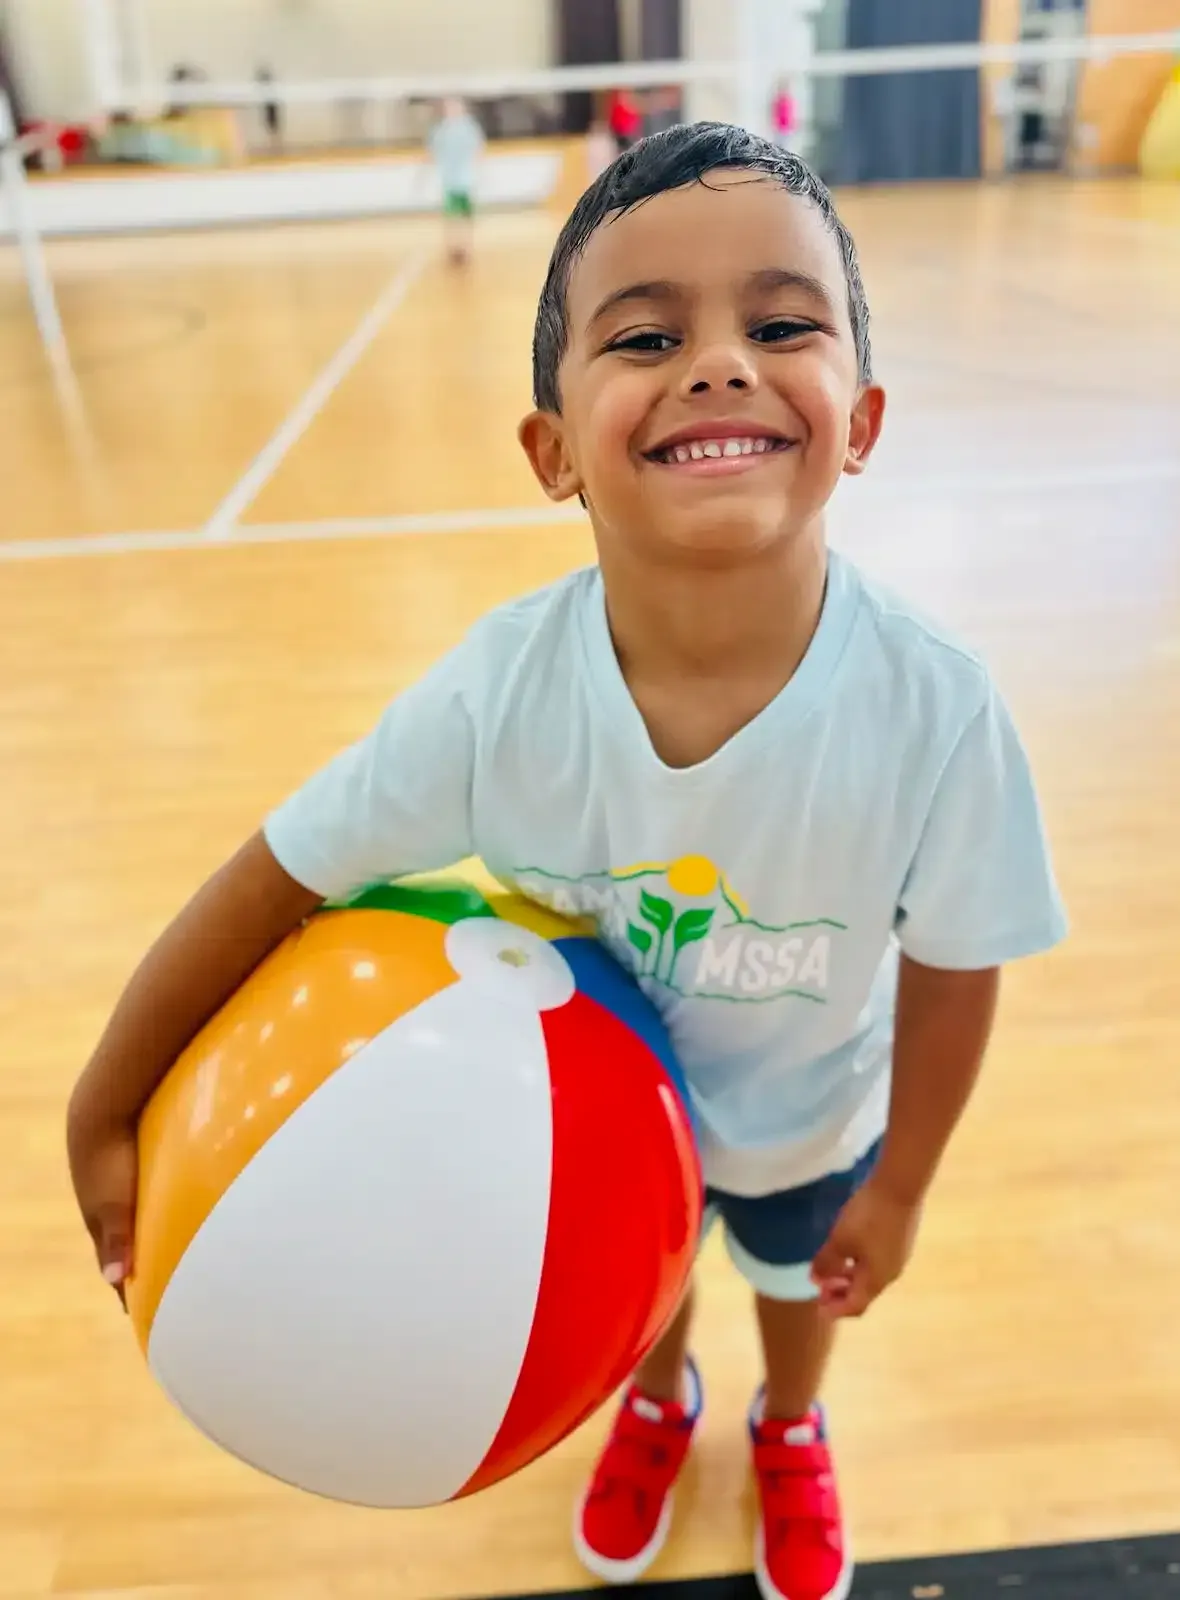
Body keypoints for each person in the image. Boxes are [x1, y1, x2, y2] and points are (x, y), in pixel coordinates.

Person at [67, 123, 1067, 1600]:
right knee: (638, 1295)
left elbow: (958, 957)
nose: (719, 362)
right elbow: (279, 873)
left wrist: (904, 1184)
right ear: (551, 450)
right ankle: (654, 1397)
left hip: (810, 1123)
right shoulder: (497, 701)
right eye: (647, 333)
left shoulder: (934, 704)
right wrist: (108, 1104)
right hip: (592, 1148)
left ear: (859, 415)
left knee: (802, 1290)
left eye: (780, 324)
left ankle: (790, 1418)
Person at [427, 95, 484, 265]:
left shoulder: (469, 128)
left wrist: (481, 172)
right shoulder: (440, 130)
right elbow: (432, 152)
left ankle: (466, 247)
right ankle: (452, 247)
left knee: (466, 216)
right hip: (449, 181)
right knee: (451, 216)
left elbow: (478, 149)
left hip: (465, 180)